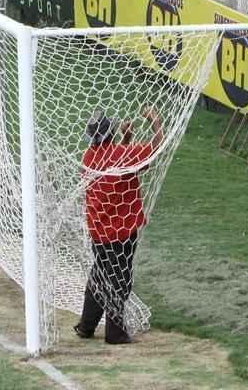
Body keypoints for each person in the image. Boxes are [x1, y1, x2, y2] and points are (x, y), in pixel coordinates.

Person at [75, 106, 163, 345]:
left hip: (98, 230)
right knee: (118, 279)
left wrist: (127, 138)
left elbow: (120, 163)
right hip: (120, 232)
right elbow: (155, 148)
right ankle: (115, 333)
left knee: (100, 275)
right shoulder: (121, 155)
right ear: (110, 133)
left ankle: (86, 326)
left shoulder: (88, 157)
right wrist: (155, 120)